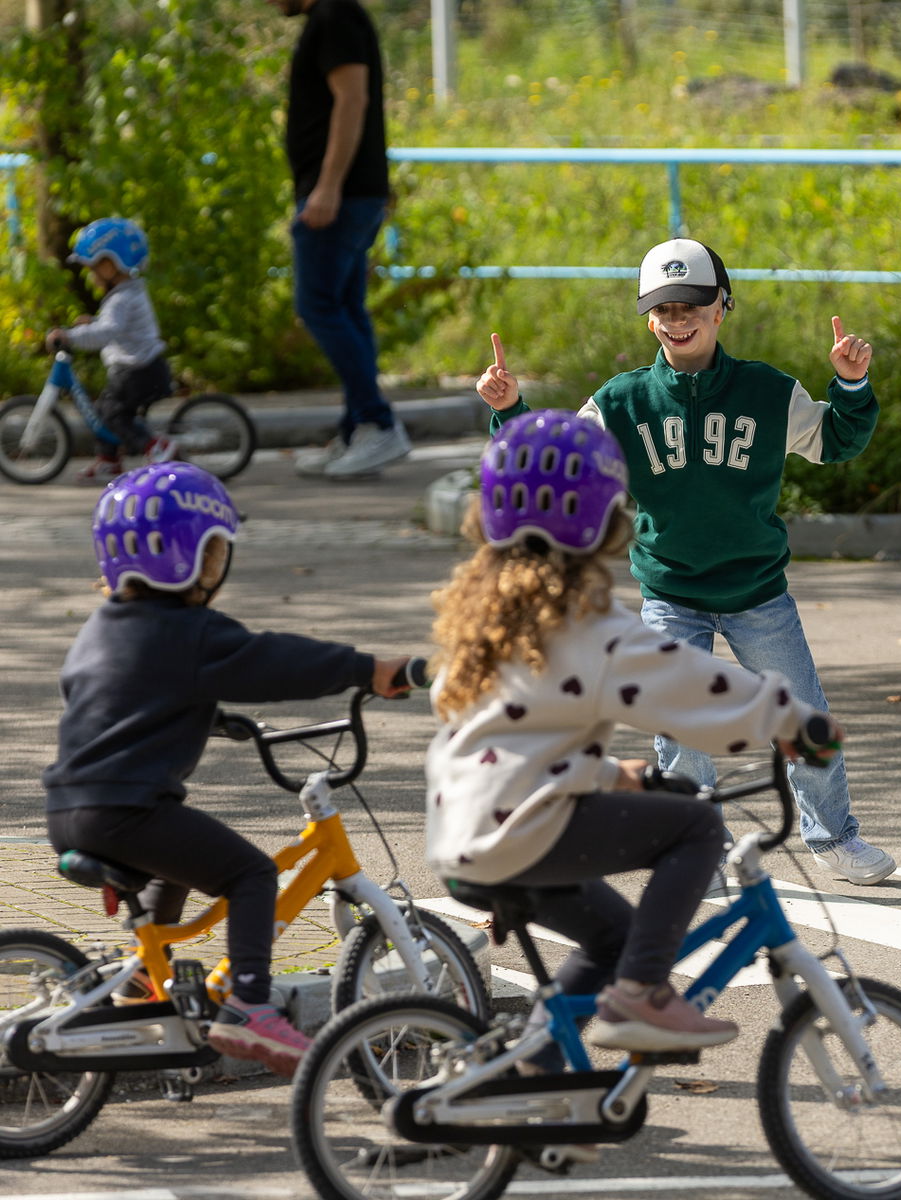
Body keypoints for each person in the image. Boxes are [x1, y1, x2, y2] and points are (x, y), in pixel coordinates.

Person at [473, 237, 897, 886]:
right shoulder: (621, 401)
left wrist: (851, 383)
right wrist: (509, 412)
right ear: (650, 319)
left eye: (691, 305)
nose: (677, 319)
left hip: (759, 593)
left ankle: (835, 839)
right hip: (671, 595)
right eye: (664, 309)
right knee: (679, 727)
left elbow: (836, 440)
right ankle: (697, 847)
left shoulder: (768, 391)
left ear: (722, 306)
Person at [425, 410, 842, 1053]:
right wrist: (789, 717)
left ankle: (531, 1069)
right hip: (520, 831)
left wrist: (609, 774)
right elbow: (686, 683)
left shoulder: (486, 620)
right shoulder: (588, 626)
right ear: (606, 521)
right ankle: (643, 994)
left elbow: (512, 739)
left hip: (462, 830)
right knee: (697, 828)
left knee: (613, 939)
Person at [42, 462, 411, 1074]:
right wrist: (365, 667)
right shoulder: (191, 632)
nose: (217, 566)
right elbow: (270, 660)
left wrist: (208, 717)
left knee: (177, 865)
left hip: (70, 812)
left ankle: (144, 982)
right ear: (191, 559)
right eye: (213, 553)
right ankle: (249, 1007)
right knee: (249, 874)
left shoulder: (101, 628)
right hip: (126, 810)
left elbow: (119, 692)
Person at [270, 0, 411, 480]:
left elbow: (352, 100)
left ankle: (377, 422)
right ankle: (358, 430)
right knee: (346, 308)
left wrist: (328, 186)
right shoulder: (334, 16)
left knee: (318, 306)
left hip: (341, 195)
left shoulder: (335, 16)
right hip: (349, 193)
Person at [46, 217, 174, 484]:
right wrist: (92, 322)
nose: (92, 276)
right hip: (142, 367)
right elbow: (114, 327)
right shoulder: (128, 293)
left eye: (93, 269)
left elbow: (106, 333)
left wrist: (69, 336)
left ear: (110, 264)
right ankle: (108, 460)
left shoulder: (121, 299)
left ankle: (155, 446)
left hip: (139, 371)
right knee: (104, 409)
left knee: (114, 413)